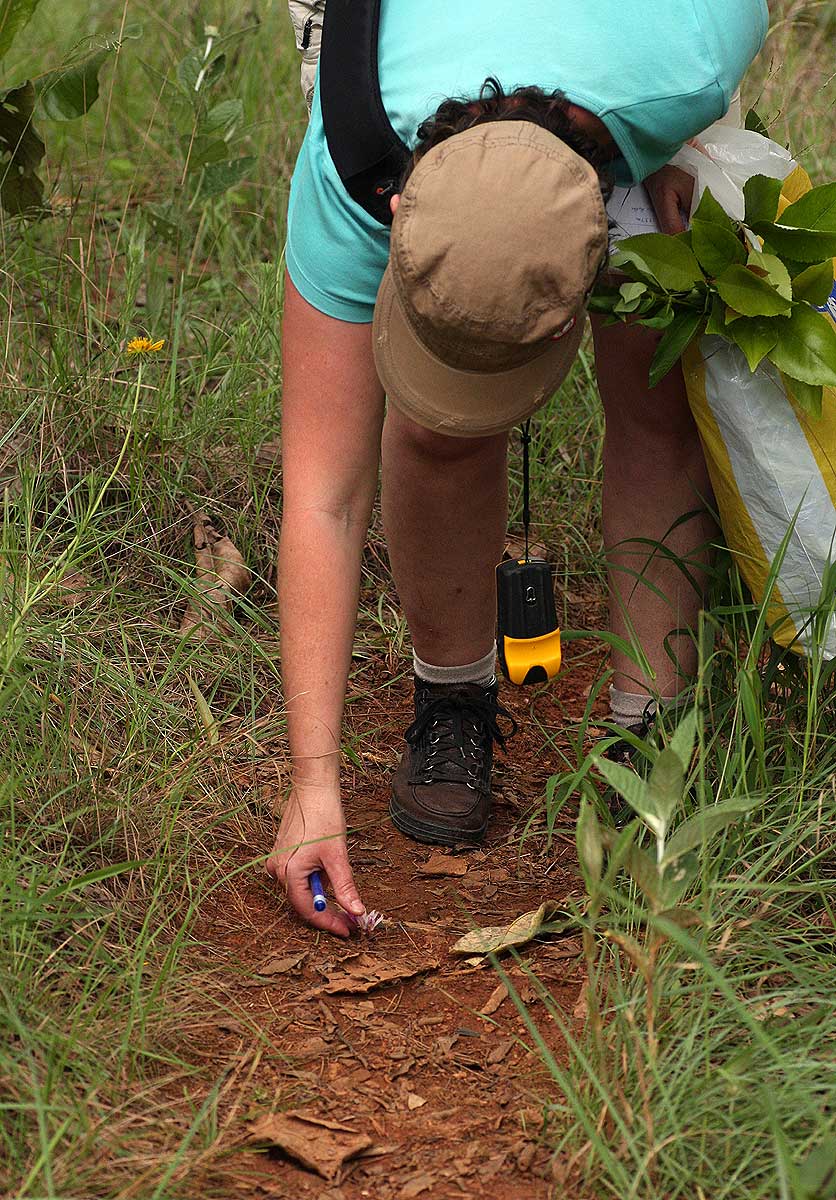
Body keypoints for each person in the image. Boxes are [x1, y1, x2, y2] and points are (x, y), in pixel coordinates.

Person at [268, 0, 770, 937]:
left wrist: (672, 142)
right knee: (440, 428)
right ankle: (452, 696)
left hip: (631, 57)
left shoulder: (692, 58)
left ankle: (651, 733)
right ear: (398, 214)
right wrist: (312, 788)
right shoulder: (354, 160)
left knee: (654, 383)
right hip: (413, 49)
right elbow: (323, 496)